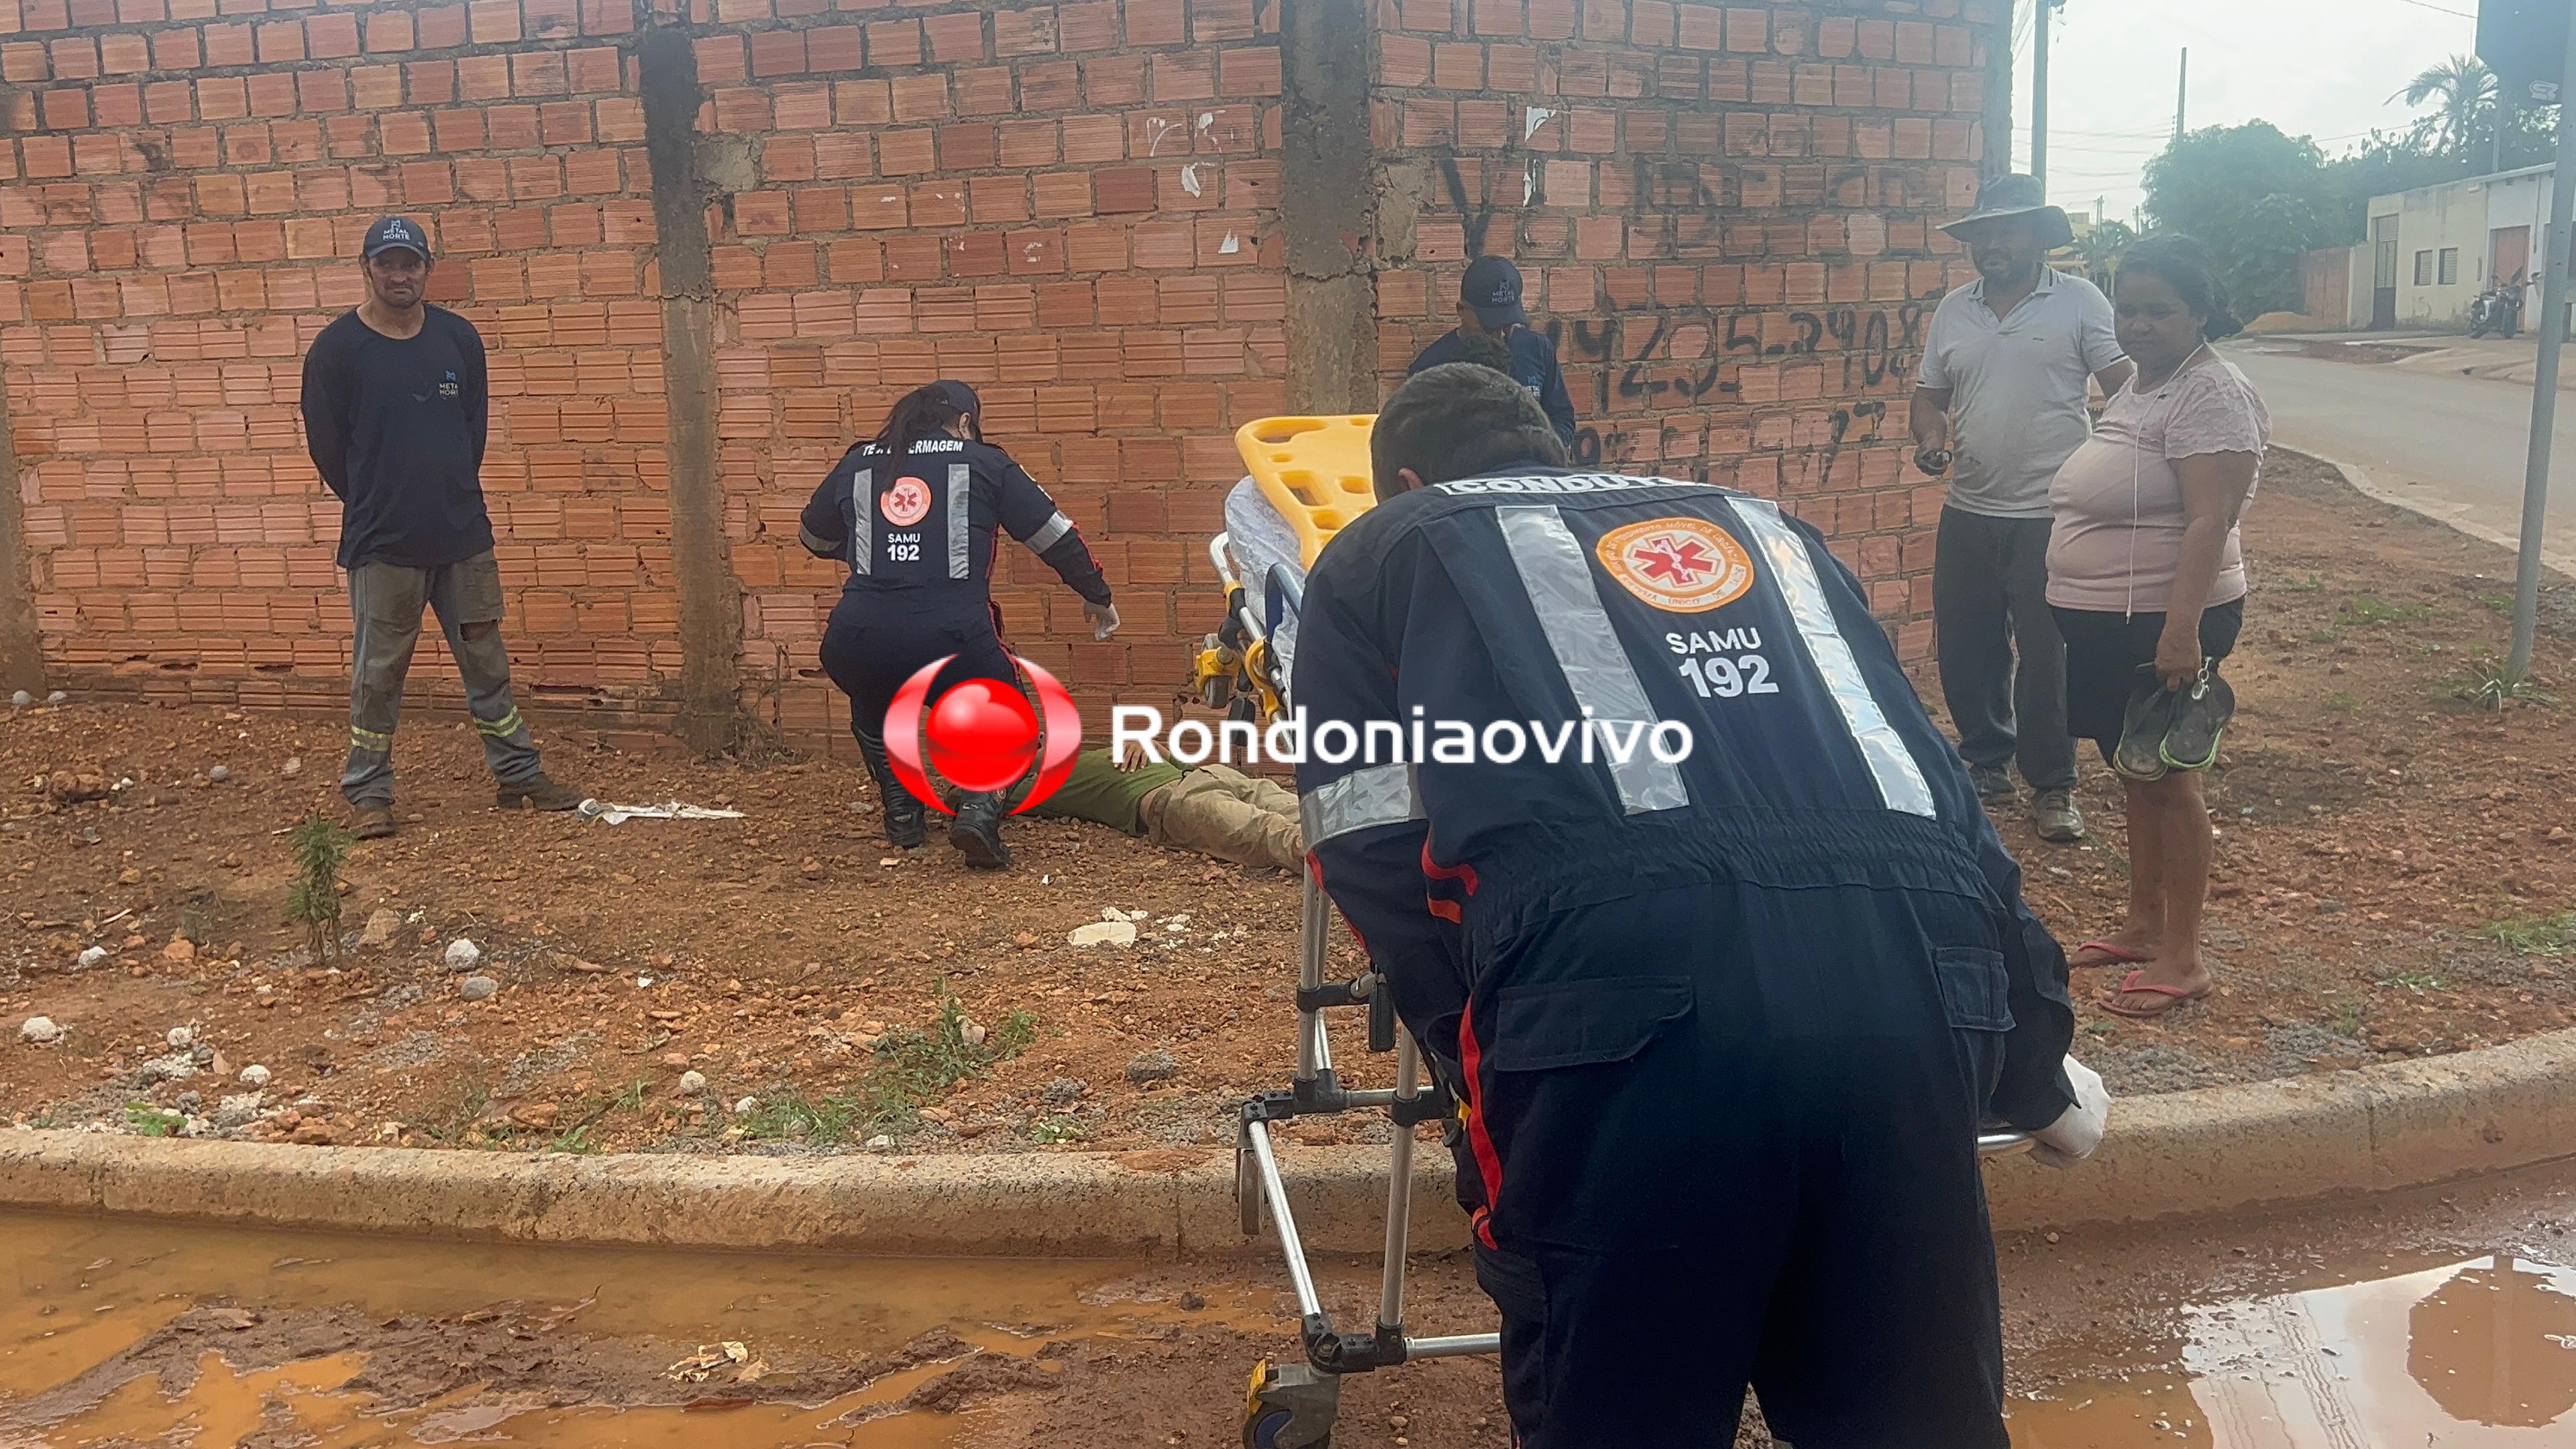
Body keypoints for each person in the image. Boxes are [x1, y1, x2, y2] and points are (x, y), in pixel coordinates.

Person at [1295, 363, 2098, 1447]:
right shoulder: (1766, 530)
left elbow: (1368, 845)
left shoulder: (1386, 551)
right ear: (1559, 454)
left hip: (1616, 1010)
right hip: (1908, 983)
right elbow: (1930, 798)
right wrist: (2034, 1054)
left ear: (1405, 476)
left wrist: (1479, 1049)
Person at [2046, 234, 2269, 1019]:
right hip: (2112, 616)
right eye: (2127, 309)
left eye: (2157, 311)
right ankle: (2143, 924)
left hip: (2170, 617)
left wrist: (2181, 634)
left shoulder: (2214, 391)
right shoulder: (2147, 383)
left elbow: (2211, 519)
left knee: (2171, 779)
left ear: (2200, 312)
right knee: (2134, 770)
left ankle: (2184, 957)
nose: (2137, 325)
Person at [300, 216, 580, 840]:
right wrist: (378, 498)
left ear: (428, 268)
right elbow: (328, 446)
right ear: (366, 267)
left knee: (487, 662)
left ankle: (518, 775)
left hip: (463, 538)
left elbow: (470, 433)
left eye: (411, 263)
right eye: (387, 263)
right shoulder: (338, 350)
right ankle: (369, 793)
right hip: (383, 543)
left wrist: (444, 490)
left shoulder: (458, 339)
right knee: (379, 674)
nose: (399, 275)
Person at [799, 380, 1118, 870]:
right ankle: (976, 809)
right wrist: (1097, 595)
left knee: (874, 703)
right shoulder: (985, 462)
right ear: (966, 422)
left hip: (856, 635)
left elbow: (813, 536)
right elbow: (1054, 536)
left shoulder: (859, 460)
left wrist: (877, 555)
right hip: (952, 636)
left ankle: (903, 816)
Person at [1913, 174, 2134, 844]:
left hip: (2053, 514)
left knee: (2048, 656)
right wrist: (1930, 436)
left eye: (2007, 230)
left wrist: (2111, 468)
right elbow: (1930, 395)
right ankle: (1985, 764)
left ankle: (2053, 783)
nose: (1992, 243)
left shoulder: (2078, 303)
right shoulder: (1955, 309)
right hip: (1971, 510)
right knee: (1968, 643)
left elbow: (2128, 389)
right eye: (1982, 232)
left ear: (2039, 237)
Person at [1027, 748, 1303, 873]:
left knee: (1305, 811)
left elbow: (1178, 763)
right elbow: (990, 798)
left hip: (1209, 776)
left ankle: (1344, 837)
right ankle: (1342, 864)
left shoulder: (1084, 755)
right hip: (1176, 801)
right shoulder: (1033, 787)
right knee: (1270, 833)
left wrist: (1156, 749)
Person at [1407, 255, 1578, 449]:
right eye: (1489, 326)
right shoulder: (1432, 368)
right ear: (1461, 310)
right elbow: (1422, 446)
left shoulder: (1537, 349)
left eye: (1507, 325)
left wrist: (1541, 449)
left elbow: (1562, 419)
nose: (1499, 335)